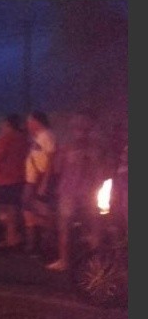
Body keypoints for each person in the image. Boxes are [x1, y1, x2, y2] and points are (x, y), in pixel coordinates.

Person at [45, 112, 106, 271]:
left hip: (69, 191)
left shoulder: (68, 148)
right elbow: (101, 172)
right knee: (94, 227)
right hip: (90, 191)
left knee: (65, 226)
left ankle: (64, 261)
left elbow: (57, 168)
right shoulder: (97, 149)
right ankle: (96, 263)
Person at [0, 114, 30, 248]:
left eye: (3, 124)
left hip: (2, 179)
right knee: (13, 209)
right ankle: (12, 236)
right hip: (19, 178)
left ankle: (11, 237)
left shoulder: (4, 140)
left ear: (8, 124)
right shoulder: (24, 139)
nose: (1, 127)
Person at [22, 110, 57, 256]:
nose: (28, 124)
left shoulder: (47, 135)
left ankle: (46, 243)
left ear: (37, 121)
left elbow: (51, 159)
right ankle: (34, 244)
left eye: (30, 121)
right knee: (28, 209)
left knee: (42, 211)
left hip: (40, 179)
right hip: (33, 179)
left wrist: (45, 182)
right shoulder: (38, 137)